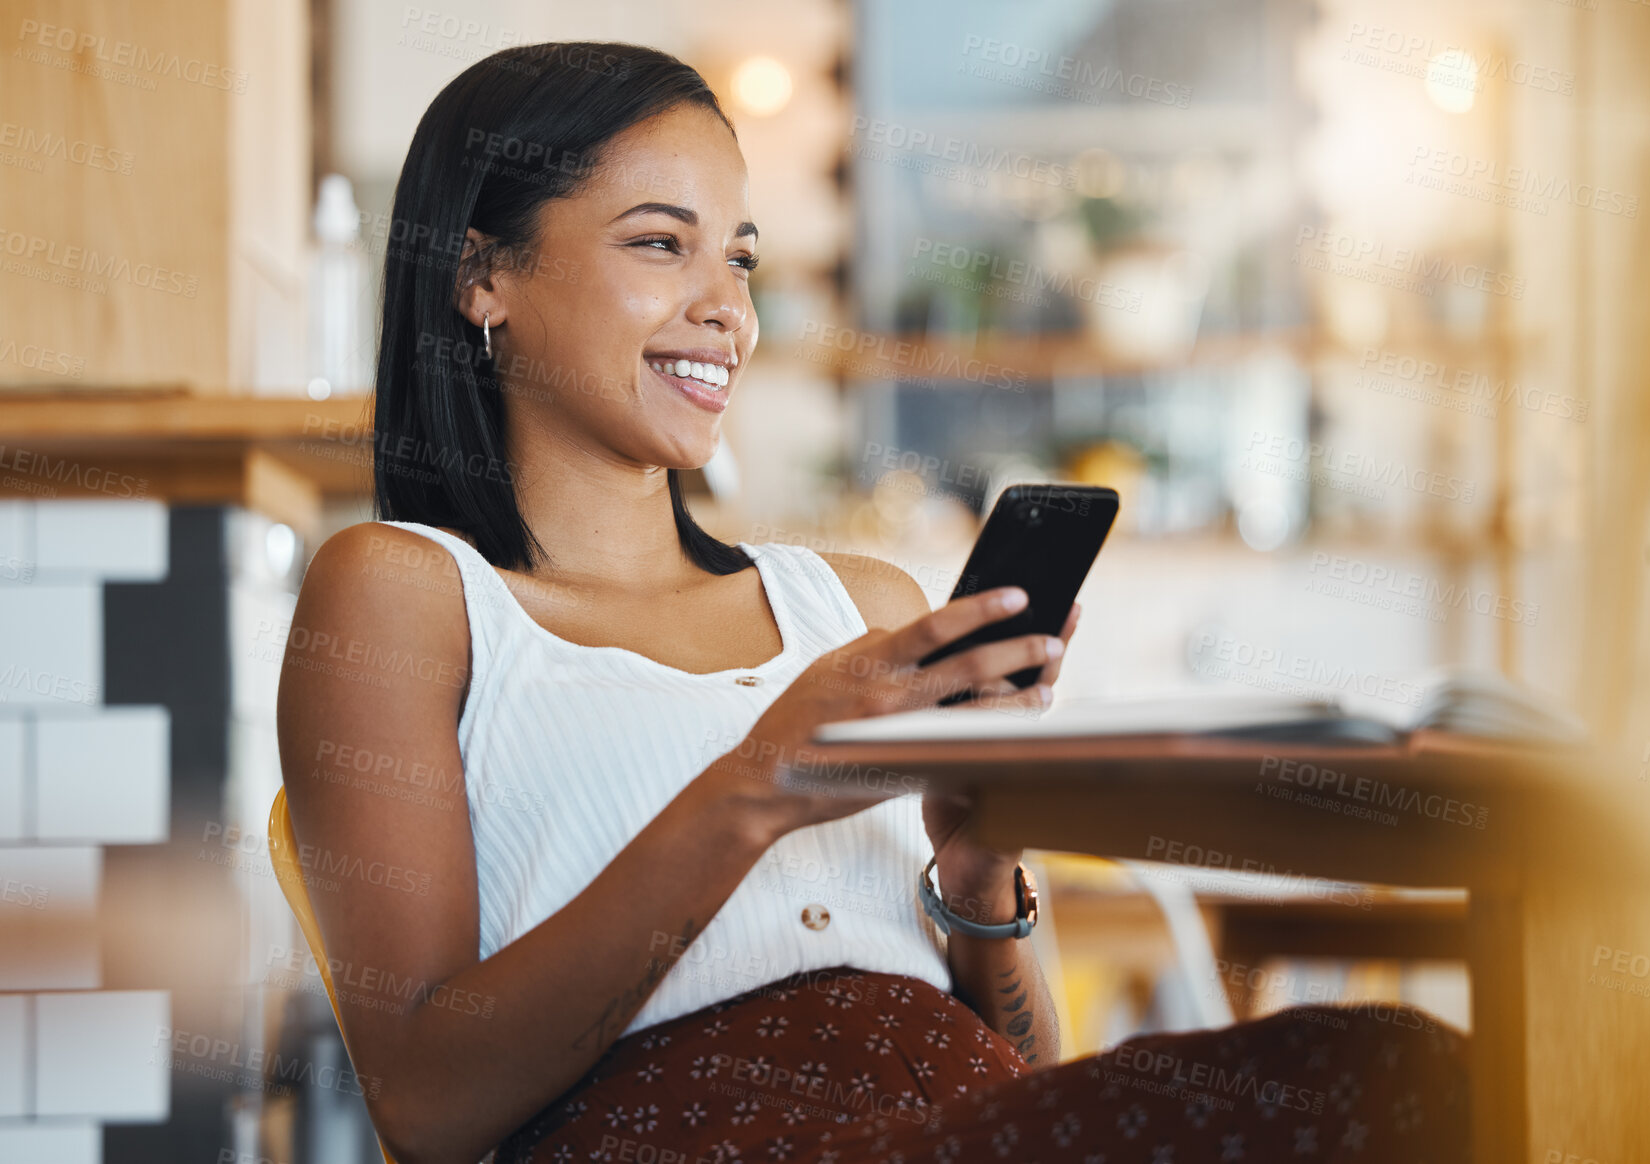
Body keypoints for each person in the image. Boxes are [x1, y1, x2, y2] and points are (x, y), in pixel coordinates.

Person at [275, 41, 1470, 1164]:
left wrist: (977, 861)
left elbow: (1027, 1070)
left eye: (737, 257)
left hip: (950, 1120)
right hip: (697, 1136)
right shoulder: (408, 595)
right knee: (1390, 1076)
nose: (724, 309)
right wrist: (763, 782)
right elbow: (428, 1104)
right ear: (483, 275)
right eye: (659, 245)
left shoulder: (856, 604)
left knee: (1405, 1073)